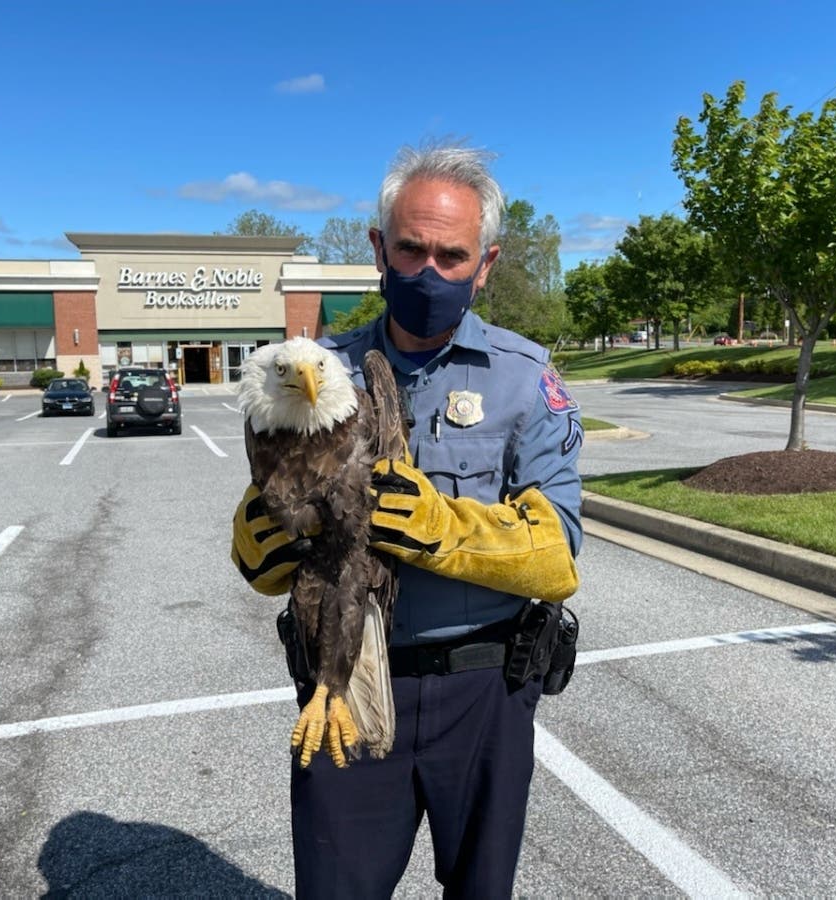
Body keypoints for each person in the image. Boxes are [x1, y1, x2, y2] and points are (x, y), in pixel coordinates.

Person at [231, 144, 583, 898]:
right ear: (378, 249)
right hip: (346, 680)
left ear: (485, 265)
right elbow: (266, 528)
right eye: (411, 249)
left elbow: (559, 551)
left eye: (451, 256)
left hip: (485, 689)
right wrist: (261, 536)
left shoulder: (525, 379)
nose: (429, 272)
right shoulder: (314, 373)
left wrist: (443, 529)